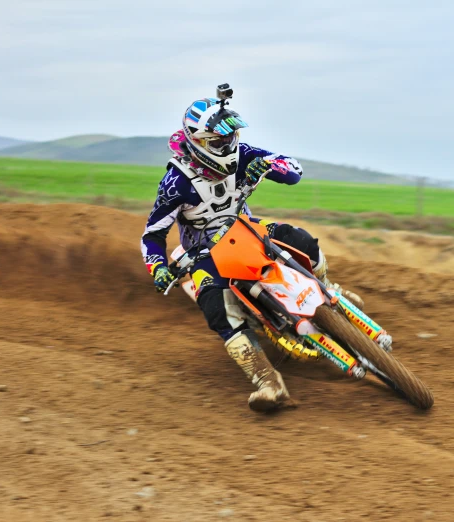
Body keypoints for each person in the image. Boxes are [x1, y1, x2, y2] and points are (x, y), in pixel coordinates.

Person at [140, 87, 363, 412]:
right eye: (218, 143)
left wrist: (274, 169)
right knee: (217, 308)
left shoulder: (243, 153)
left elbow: (292, 168)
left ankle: (329, 293)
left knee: (301, 240)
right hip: (206, 252)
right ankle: (268, 382)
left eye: (231, 139)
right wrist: (157, 267)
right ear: (198, 142)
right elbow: (153, 235)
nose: (228, 147)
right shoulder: (177, 183)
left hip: (248, 230)